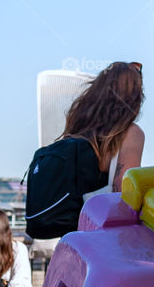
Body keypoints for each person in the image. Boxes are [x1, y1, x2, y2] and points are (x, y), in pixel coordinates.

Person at [60, 61, 145, 197]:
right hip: (93, 217)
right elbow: (124, 195)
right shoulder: (130, 133)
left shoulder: (78, 128)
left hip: (61, 216)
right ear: (134, 96)